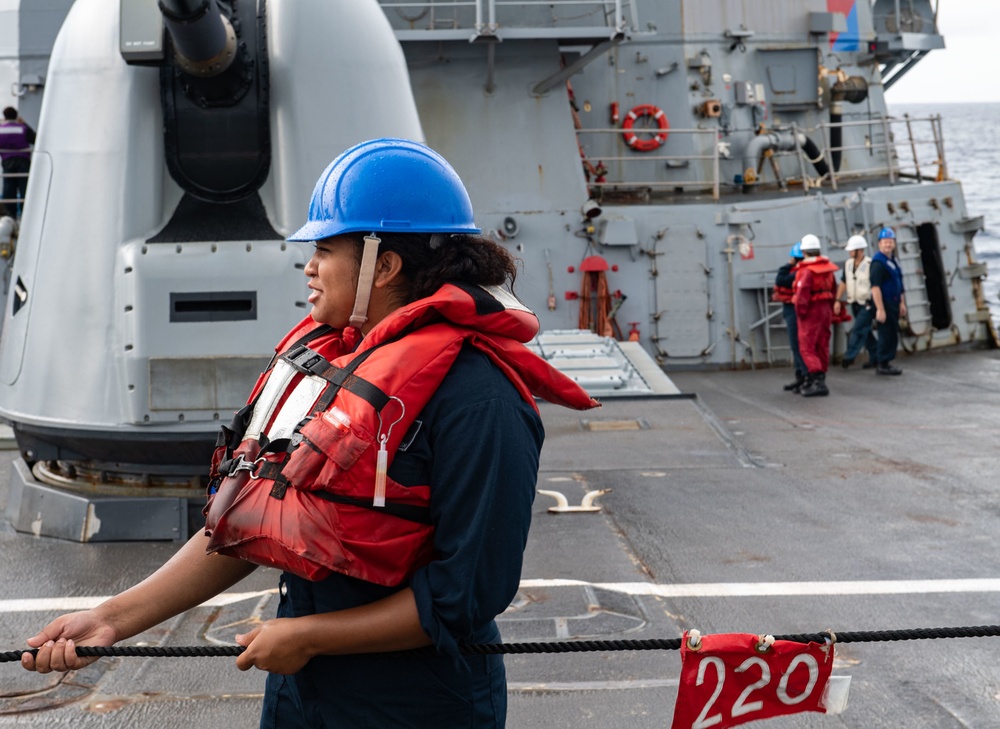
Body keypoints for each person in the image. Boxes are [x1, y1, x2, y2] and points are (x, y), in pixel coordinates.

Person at [21, 138, 599, 727]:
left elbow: (466, 597)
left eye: (324, 249)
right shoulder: (337, 371)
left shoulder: (480, 401)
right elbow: (255, 519)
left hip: (418, 702)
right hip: (303, 692)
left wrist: (312, 637)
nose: (309, 267)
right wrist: (112, 619)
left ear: (386, 265)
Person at [792, 233, 838, 397]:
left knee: (807, 346)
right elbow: (834, 289)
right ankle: (819, 378)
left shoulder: (806, 271)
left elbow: (802, 293)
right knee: (822, 343)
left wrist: (800, 313)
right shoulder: (827, 269)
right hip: (825, 308)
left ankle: (817, 379)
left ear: (803, 252)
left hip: (811, 310)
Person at [834, 234, 877, 369]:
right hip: (855, 303)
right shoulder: (848, 264)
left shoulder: (871, 265)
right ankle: (876, 357)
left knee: (858, 329)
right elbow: (843, 282)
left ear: (860, 250)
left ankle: (849, 356)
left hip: (868, 303)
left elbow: (876, 285)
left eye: (851, 250)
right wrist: (837, 300)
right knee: (866, 331)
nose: (849, 252)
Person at [870, 226, 906, 375]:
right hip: (885, 302)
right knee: (886, 332)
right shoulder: (878, 263)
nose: (888, 244)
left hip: (894, 301)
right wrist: (880, 308)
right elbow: (875, 287)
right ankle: (883, 363)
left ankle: (887, 361)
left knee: (892, 331)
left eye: (890, 241)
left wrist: (902, 303)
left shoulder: (893, 260)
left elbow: (899, 282)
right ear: (879, 244)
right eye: (885, 242)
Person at [773, 241, 806, 392]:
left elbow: (781, 280)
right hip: (794, 310)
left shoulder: (798, 273)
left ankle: (805, 377)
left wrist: (788, 264)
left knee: (799, 346)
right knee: (796, 346)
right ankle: (801, 377)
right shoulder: (800, 271)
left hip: (796, 310)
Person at [0, 107, 36, 218]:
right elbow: (35, 139)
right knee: (24, 187)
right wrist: (24, 123)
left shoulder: (1, 129)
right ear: (16, 116)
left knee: (9, 188)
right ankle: (26, 214)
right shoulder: (22, 128)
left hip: (7, 161)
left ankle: (10, 215)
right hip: (23, 161)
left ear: (5, 116)